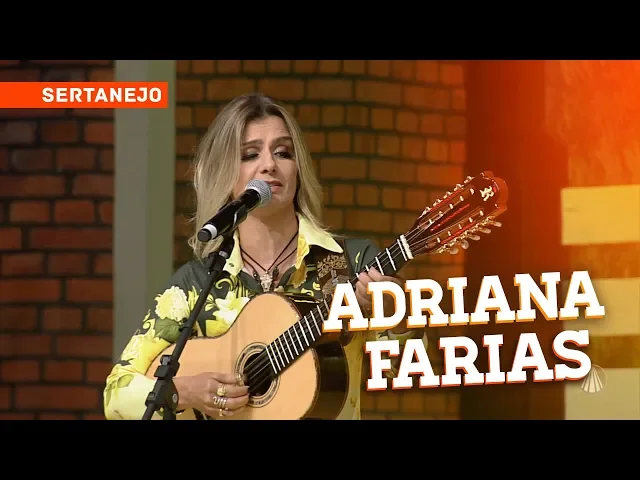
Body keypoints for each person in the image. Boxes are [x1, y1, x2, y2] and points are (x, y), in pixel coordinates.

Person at [103, 92, 428, 421]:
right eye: (250, 154)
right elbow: (116, 395)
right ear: (226, 174)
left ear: (298, 170)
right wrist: (184, 392)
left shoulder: (352, 263)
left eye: (283, 152)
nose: (269, 164)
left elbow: (402, 370)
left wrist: (396, 315)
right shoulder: (197, 282)